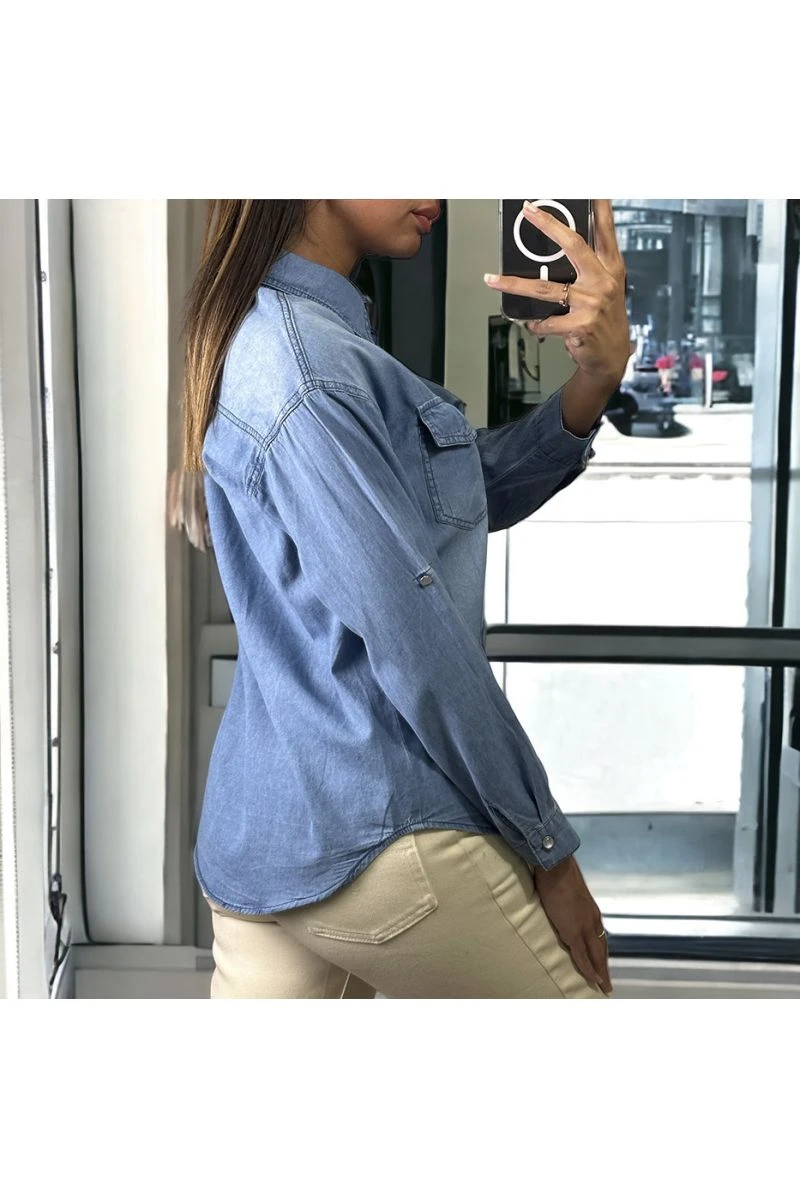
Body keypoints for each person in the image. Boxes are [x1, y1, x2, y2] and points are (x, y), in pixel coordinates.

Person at [182, 199, 631, 999]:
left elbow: (464, 492)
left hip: (269, 834)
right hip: (377, 826)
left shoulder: (286, 338)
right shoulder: (307, 367)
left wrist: (596, 379)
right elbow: (416, 637)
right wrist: (548, 850)